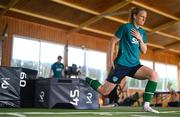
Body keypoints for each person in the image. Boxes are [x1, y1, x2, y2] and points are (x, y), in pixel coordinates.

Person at [85, 7, 159, 113]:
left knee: (154, 75)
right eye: (142, 17)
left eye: (145, 18)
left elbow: (144, 51)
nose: (144, 19)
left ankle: (146, 106)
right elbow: (112, 42)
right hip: (121, 65)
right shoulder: (125, 27)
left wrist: (140, 38)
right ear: (134, 16)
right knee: (104, 91)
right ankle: (86, 79)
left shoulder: (143, 32)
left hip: (135, 66)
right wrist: (109, 61)